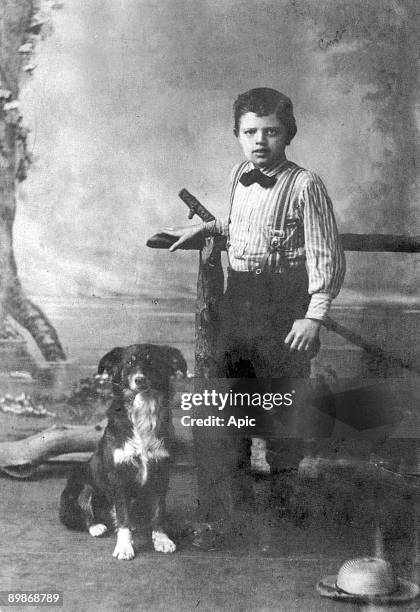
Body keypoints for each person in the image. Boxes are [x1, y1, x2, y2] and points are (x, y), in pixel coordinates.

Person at [168, 87, 345, 509]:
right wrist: (209, 230)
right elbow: (248, 227)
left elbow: (326, 254)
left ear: (289, 134)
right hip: (239, 300)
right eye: (250, 132)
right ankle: (235, 509)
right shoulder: (238, 174)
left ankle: (285, 508)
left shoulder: (306, 185)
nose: (260, 141)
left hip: (285, 306)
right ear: (237, 135)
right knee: (234, 403)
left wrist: (313, 316)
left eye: (271, 131)